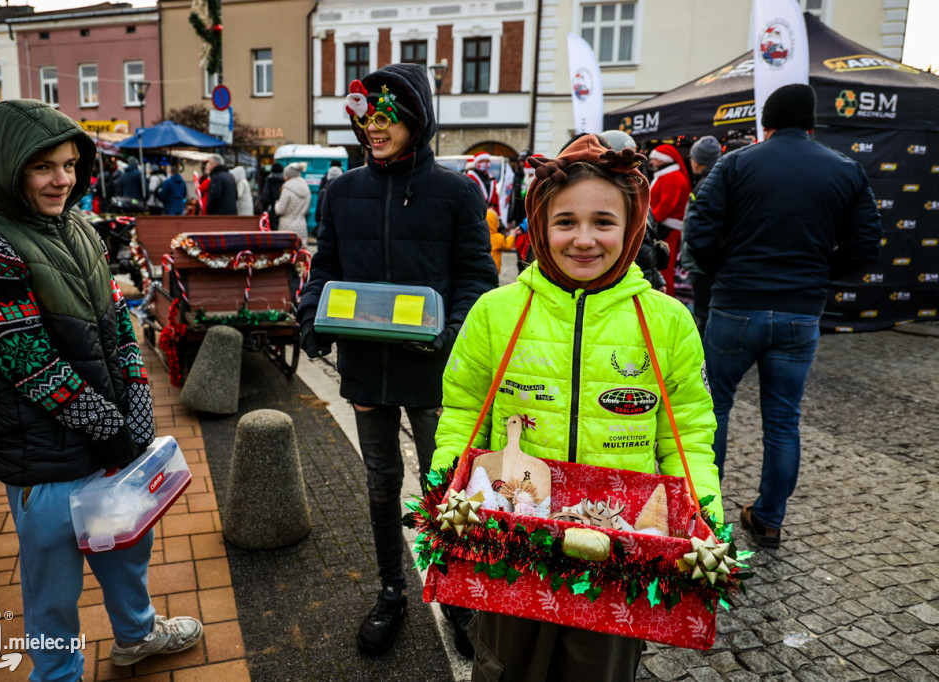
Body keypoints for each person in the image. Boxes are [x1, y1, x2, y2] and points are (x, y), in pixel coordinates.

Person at [430, 133, 722, 681]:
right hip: (513, 539)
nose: (583, 240)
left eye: (603, 223)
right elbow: (465, 411)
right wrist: (448, 483)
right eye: (565, 222)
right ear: (540, 226)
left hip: (617, 554)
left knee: (598, 672)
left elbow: (687, 432)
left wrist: (704, 514)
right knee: (503, 667)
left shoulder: (667, 321)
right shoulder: (496, 312)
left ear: (632, 227)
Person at [0, 99, 203, 682]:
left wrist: (137, 405)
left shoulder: (80, 228)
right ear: (8, 168)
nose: (62, 179)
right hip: (45, 460)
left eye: (68, 164)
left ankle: (136, 637)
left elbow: (118, 322)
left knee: (126, 552)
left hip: (105, 446)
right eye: (43, 167)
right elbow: (29, 363)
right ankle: (58, 675)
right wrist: (113, 427)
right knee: (52, 592)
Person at [296, 63, 498, 659]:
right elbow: (324, 264)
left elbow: (477, 279)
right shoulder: (342, 190)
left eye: (388, 118)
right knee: (382, 485)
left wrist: (454, 332)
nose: (375, 129)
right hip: (367, 371)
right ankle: (392, 589)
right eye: (368, 118)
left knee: (446, 486)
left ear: (417, 120)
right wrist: (311, 315)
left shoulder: (458, 192)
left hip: (435, 374)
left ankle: (457, 596)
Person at [686, 83, 882, 548]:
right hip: (799, 312)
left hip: (735, 306)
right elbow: (865, 246)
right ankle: (769, 518)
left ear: (766, 124)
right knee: (782, 419)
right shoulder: (847, 170)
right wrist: (817, 276)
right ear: (812, 125)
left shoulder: (735, 163)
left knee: (712, 410)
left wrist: (725, 274)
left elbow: (699, 230)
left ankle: (704, 517)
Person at [600, 130, 667, 292]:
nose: (634, 164)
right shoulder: (604, 198)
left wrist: (657, 279)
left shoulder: (639, 191)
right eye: (627, 159)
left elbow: (647, 238)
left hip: (645, 280)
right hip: (624, 285)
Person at [680, 135, 722, 335]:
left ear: (697, 161)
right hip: (709, 263)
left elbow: (696, 228)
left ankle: (705, 361)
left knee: (704, 314)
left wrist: (703, 263)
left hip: (703, 265)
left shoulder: (705, 185)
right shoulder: (719, 181)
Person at [647, 144, 690, 297]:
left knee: (665, 269)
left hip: (667, 229)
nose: (652, 161)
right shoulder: (666, 176)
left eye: (655, 158)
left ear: (663, 160)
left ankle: (668, 299)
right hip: (664, 227)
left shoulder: (673, 177)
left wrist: (648, 221)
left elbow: (667, 205)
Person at [274, 162, 312, 241]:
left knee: (287, 251)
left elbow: (280, 210)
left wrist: (276, 204)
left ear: (289, 176)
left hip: (286, 226)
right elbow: (307, 210)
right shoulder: (306, 188)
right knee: (300, 251)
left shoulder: (287, 189)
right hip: (301, 226)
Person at [314, 163, 343, 239]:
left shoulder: (323, 192)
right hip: (341, 226)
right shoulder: (346, 191)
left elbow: (319, 211)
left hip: (325, 226)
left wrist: (318, 221)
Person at [487, 207, 516, 274]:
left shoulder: (481, 236)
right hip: (493, 270)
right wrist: (512, 235)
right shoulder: (498, 238)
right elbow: (508, 246)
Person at [260, 161, 286, 229]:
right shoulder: (285, 180)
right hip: (284, 210)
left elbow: (265, 197)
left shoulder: (269, 180)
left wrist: (265, 208)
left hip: (272, 209)